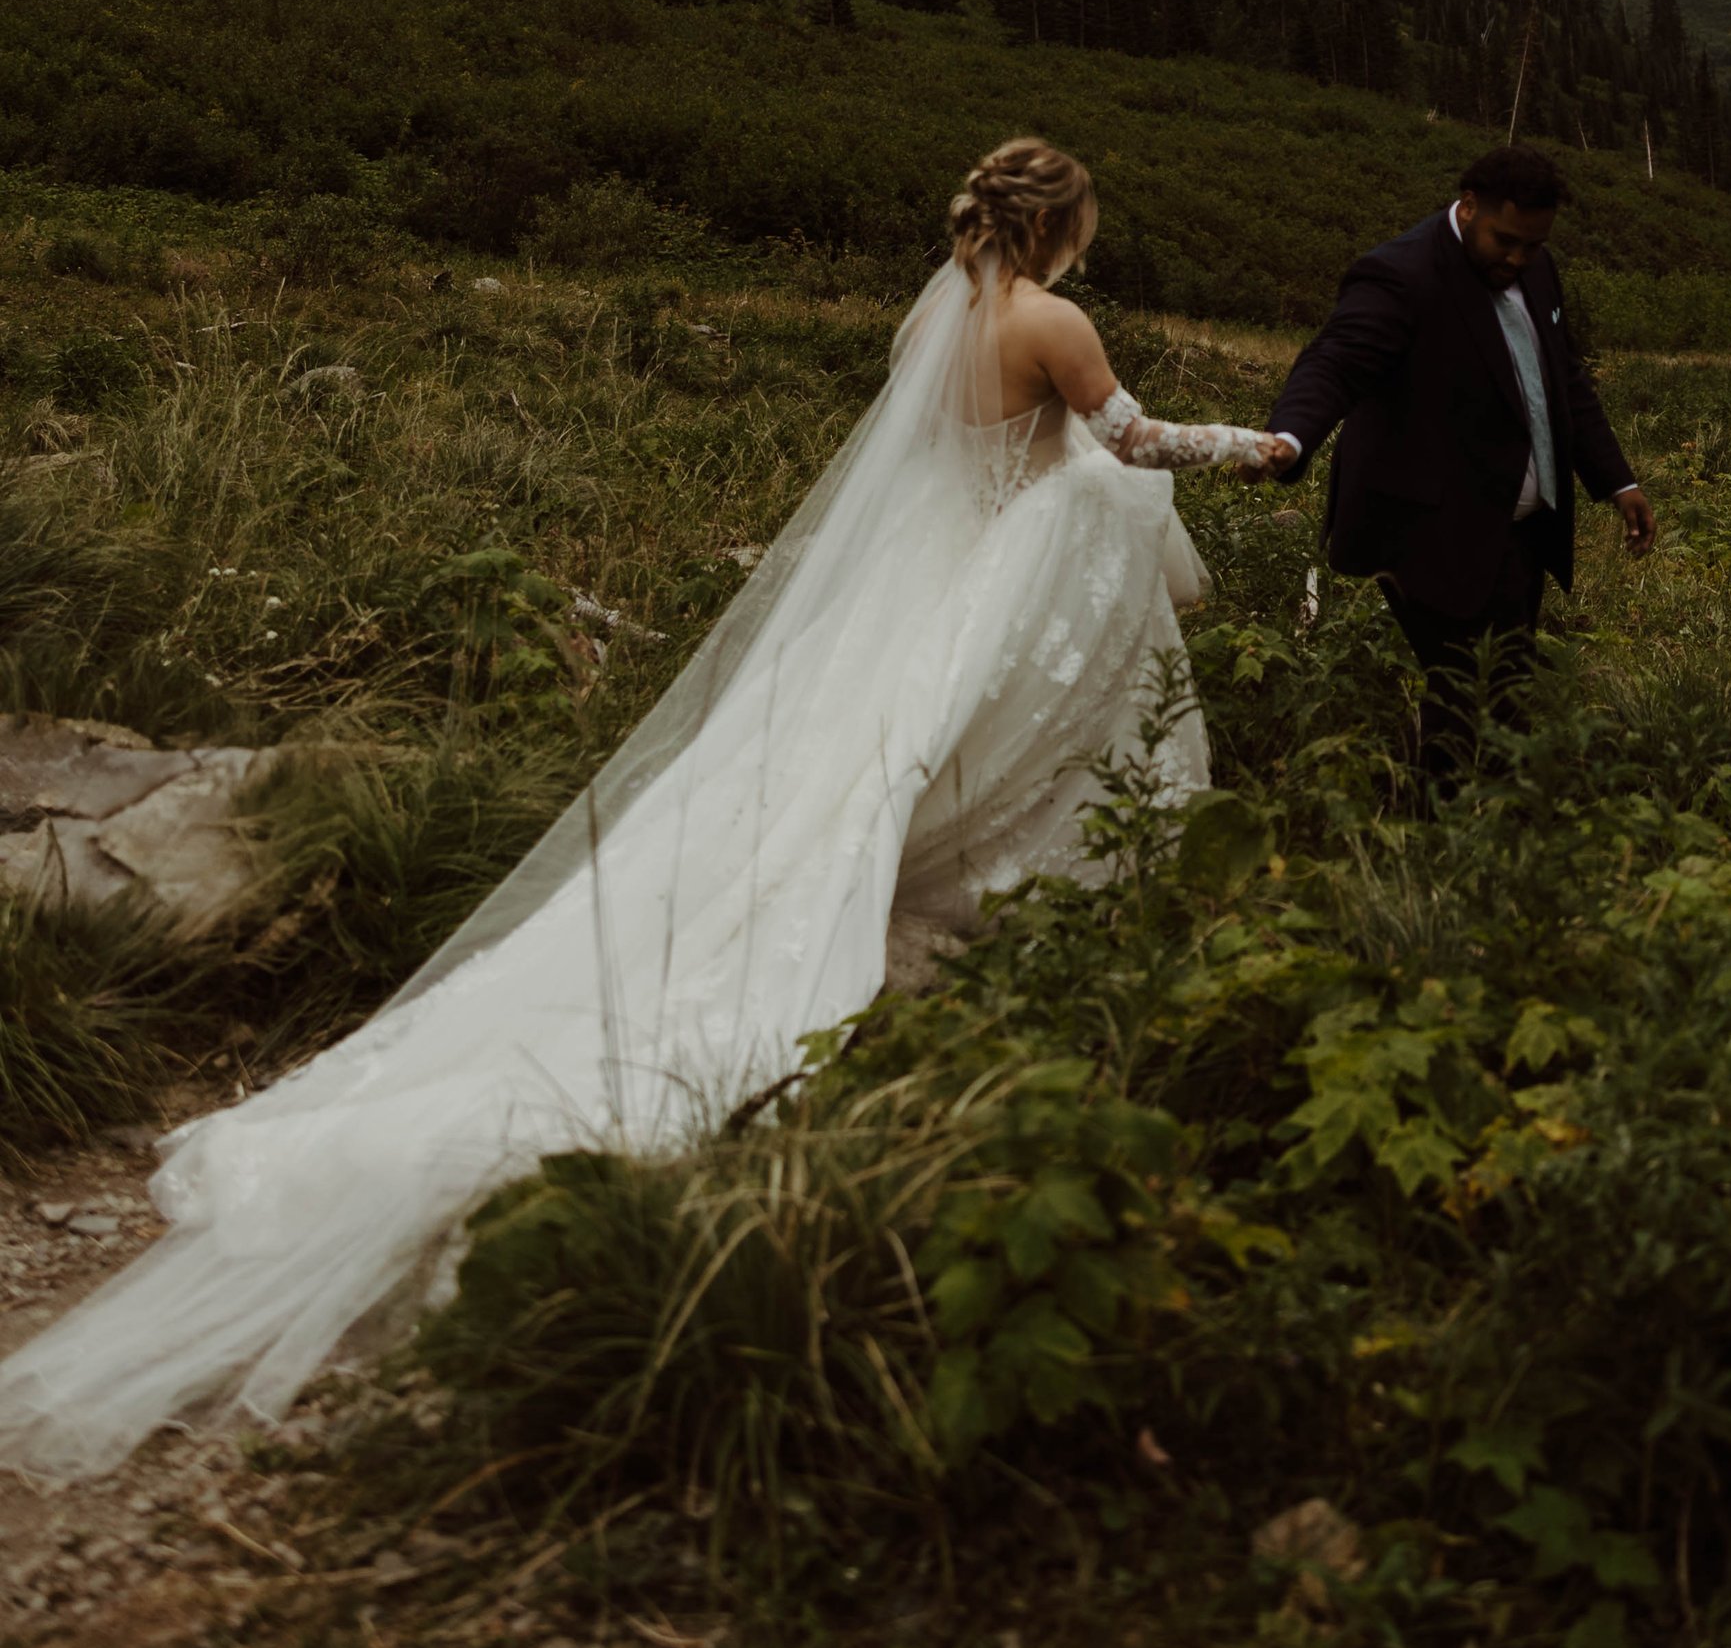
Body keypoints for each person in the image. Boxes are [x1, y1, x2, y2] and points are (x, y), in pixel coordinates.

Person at [0, 141, 1285, 1484]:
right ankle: (1018, 901)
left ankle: (959, 889)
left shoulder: (939, 311)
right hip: (992, 576)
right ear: (1067, 224)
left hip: (928, 579)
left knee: (858, 768)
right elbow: (1132, 439)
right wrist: (1255, 445)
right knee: (1000, 684)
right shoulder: (1054, 320)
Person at [1264, 143, 1655, 778]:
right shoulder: (1402, 275)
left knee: (1501, 688)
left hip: (1519, 534)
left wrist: (1618, 480)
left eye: (1533, 244)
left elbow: (1564, 380)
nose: (1519, 258)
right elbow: (1336, 361)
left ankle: (1479, 815)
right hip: (1431, 532)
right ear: (1468, 208)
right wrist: (1290, 437)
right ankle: (1441, 831)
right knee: (1464, 695)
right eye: (1506, 241)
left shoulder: (1535, 266)